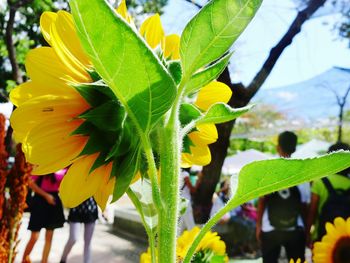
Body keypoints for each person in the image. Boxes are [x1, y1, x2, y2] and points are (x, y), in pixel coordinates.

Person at [256, 131, 310, 263]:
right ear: (295, 148)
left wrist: (258, 226)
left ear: (277, 147)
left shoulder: (269, 171)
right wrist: (307, 231)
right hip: (295, 229)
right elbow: (304, 205)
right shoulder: (301, 173)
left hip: (270, 228)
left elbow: (262, 200)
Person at [306, 142, 350, 245]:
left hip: (322, 236)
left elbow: (312, 211)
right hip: (346, 238)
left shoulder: (320, 182)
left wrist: (307, 233)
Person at [22, 169, 66, 263]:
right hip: (40, 202)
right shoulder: (44, 165)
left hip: (54, 202)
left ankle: (44, 261)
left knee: (49, 237)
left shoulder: (65, 166)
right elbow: (30, 182)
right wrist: (46, 196)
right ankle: (24, 259)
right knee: (34, 236)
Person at [60, 197, 98, 263]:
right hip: (76, 210)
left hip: (91, 210)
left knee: (88, 242)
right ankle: (63, 259)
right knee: (73, 238)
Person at [178, 170, 196, 234]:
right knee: (189, 220)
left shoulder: (178, 173)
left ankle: (177, 237)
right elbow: (192, 189)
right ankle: (194, 236)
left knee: (182, 220)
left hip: (180, 199)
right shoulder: (185, 174)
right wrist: (199, 181)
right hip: (185, 200)